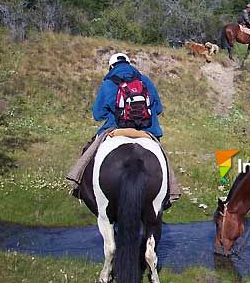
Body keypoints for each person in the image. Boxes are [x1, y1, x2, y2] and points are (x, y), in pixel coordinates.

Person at [66, 53, 180, 205]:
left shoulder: (107, 83)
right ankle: (170, 193)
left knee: (89, 152)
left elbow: (98, 114)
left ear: (111, 66)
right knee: (163, 159)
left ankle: (77, 182)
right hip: (146, 129)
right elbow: (158, 109)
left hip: (116, 127)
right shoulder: (145, 80)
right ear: (129, 64)